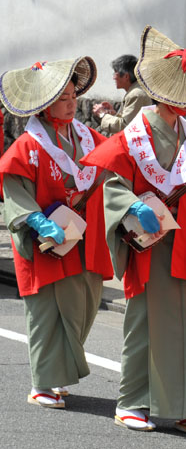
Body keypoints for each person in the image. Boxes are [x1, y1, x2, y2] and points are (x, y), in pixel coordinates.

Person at [81, 26, 186, 433]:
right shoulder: (134, 135)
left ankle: (183, 405)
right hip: (150, 244)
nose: (181, 101)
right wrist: (131, 205)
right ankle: (133, 400)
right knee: (145, 324)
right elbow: (112, 183)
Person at [0, 57, 113, 408]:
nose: (71, 102)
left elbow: (113, 164)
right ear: (45, 104)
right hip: (46, 239)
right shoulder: (27, 146)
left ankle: (58, 375)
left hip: (84, 235)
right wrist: (35, 219)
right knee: (48, 311)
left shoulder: (87, 136)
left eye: (72, 95)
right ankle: (42, 383)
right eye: (63, 97)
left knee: (84, 304)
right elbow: (14, 188)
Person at [92, 54, 152, 134]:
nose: (113, 78)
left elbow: (125, 126)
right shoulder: (135, 91)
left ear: (126, 76)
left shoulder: (136, 94)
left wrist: (102, 114)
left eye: (115, 73)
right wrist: (113, 114)